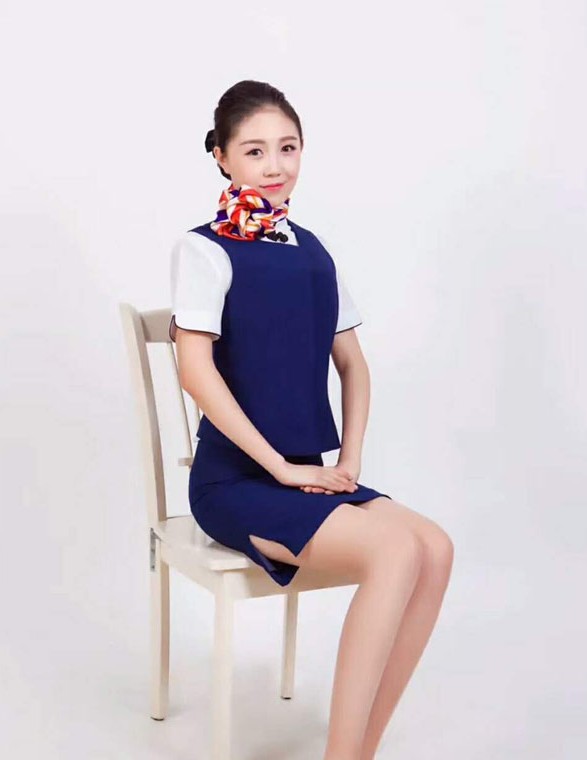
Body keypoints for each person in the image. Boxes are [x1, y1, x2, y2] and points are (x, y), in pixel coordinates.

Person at [169, 79, 454, 760]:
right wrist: (278, 468)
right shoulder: (204, 250)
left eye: (287, 147)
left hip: (306, 477)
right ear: (221, 157)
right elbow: (194, 372)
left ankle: (360, 749)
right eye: (254, 150)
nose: (274, 166)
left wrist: (348, 461)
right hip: (236, 483)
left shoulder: (314, 251)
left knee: (434, 548)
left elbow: (353, 364)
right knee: (394, 550)